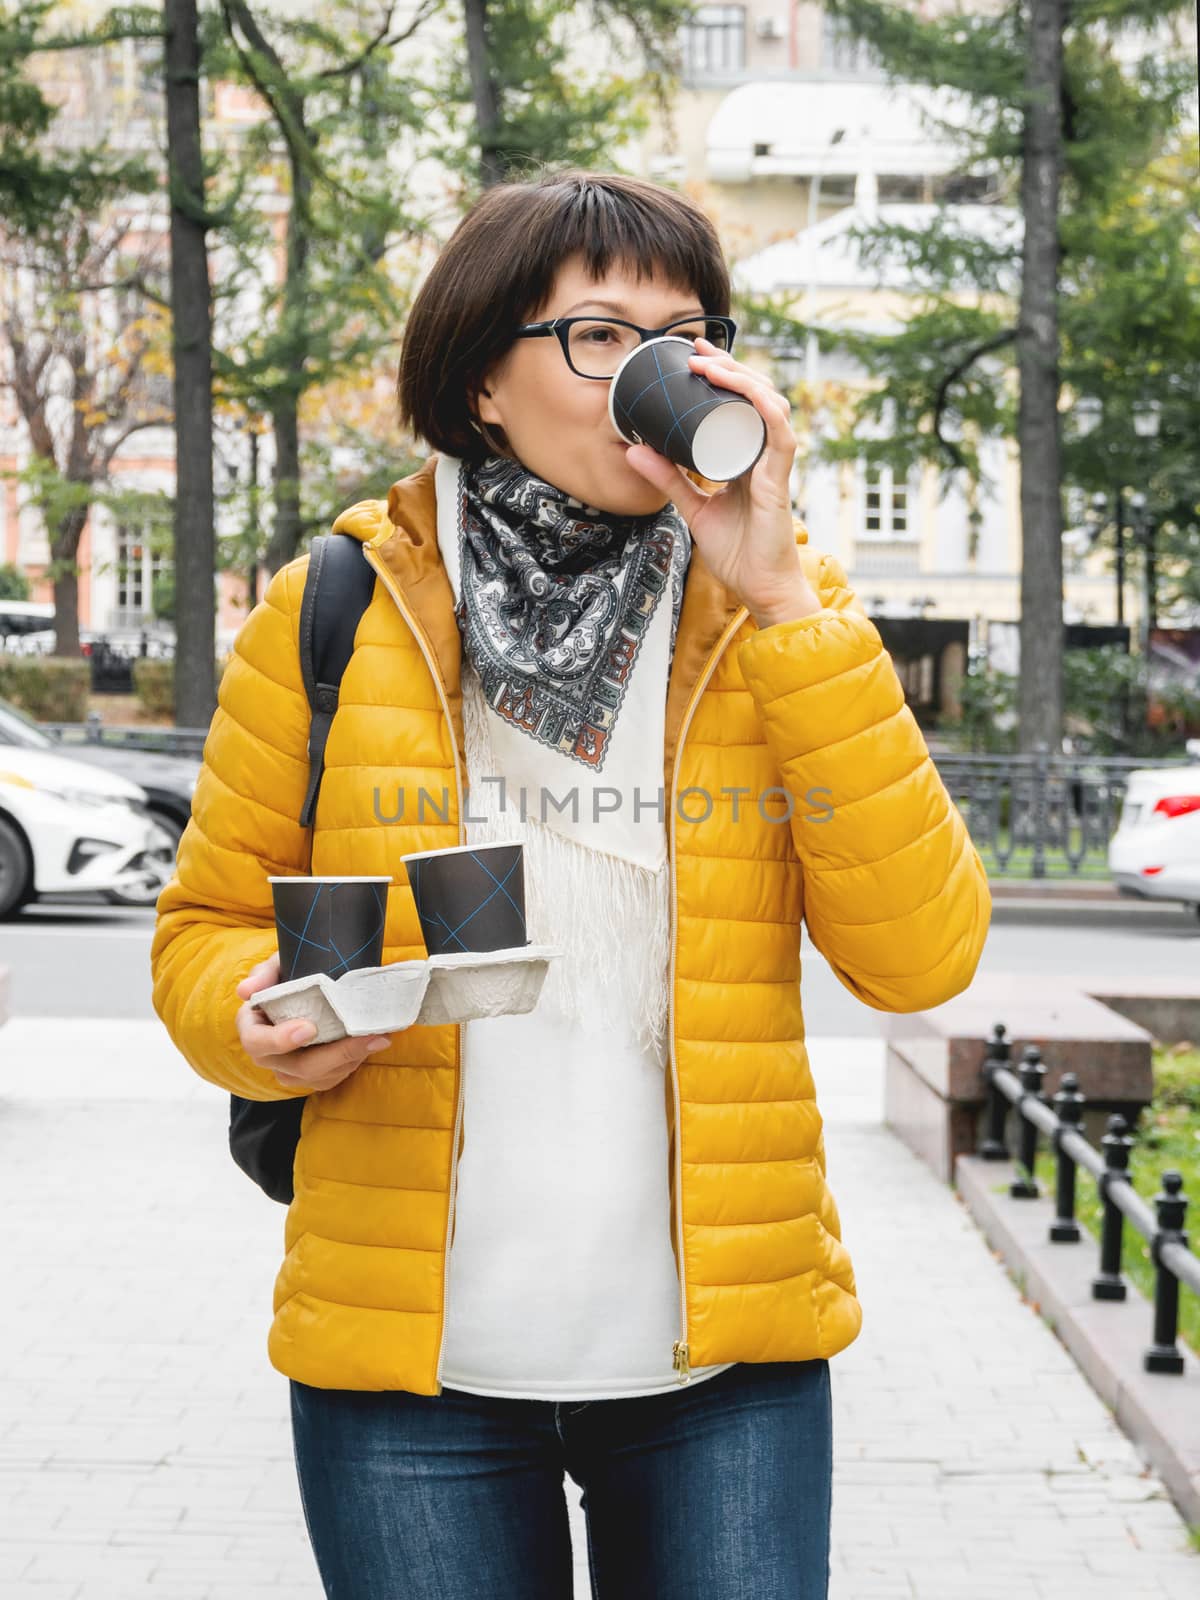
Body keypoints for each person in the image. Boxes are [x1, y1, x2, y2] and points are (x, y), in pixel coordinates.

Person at [151, 169, 992, 1600]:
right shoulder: (337, 608)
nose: (652, 374)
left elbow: (921, 960)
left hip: (722, 1370)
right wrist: (257, 1017)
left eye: (687, 335)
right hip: (411, 1375)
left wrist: (784, 598)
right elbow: (205, 929)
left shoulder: (778, 612)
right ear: (484, 376)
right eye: (599, 336)